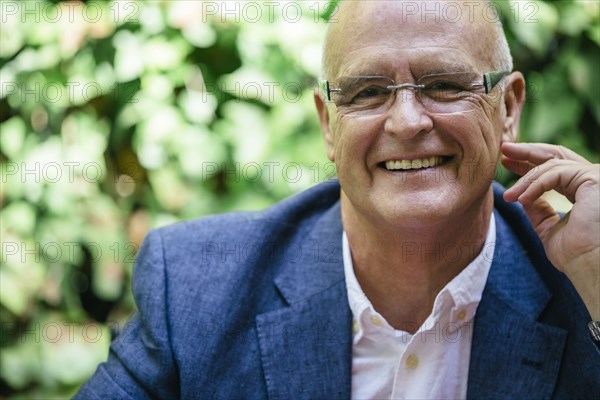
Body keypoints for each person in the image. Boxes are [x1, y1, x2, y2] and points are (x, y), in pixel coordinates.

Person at [76, 1, 599, 398]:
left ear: (508, 106)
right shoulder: (196, 288)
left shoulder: (582, 279)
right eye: (367, 92)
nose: (408, 121)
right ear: (329, 125)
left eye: (443, 84)